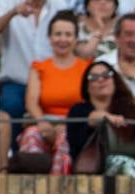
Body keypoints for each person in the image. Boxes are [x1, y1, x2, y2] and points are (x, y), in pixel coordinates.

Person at [14, 12, 89, 174]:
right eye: (58, 34)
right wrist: (42, 123)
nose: (62, 39)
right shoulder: (39, 67)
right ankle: (31, 189)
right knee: (31, 135)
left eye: (68, 35)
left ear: (76, 39)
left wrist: (66, 126)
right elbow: (31, 102)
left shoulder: (86, 68)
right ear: (49, 38)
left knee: (65, 140)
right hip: (43, 123)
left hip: (73, 127)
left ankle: (57, 190)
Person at [66, 62, 135, 176]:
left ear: (115, 81)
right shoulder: (78, 110)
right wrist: (108, 117)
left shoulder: (128, 108)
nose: (101, 80)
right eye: (93, 77)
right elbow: (92, 118)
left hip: (130, 175)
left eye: (106, 75)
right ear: (87, 86)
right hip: (89, 176)